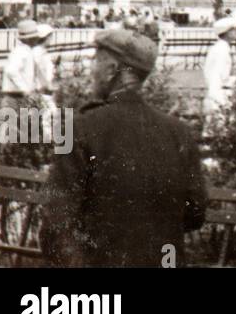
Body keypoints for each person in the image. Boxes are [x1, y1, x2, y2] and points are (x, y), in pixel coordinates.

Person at [39, 29, 208, 267]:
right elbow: (196, 213)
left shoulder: (77, 128)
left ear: (110, 71)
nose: (91, 72)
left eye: (95, 62)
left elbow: (56, 223)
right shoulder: (179, 132)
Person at [0, 19, 54, 97]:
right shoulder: (20, 51)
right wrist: (25, 89)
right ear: (29, 39)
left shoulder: (28, 51)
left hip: (22, 95)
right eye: (35, 37)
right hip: (15, 96)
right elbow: (11, 70)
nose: (37, 39)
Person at [202, 16, 236, 119]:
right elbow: (216, 76)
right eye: (233, 29)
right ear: (227, 32)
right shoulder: (221, 50)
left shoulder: (222, 47)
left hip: (220, 93)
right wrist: (221, 101)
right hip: (219, 95)